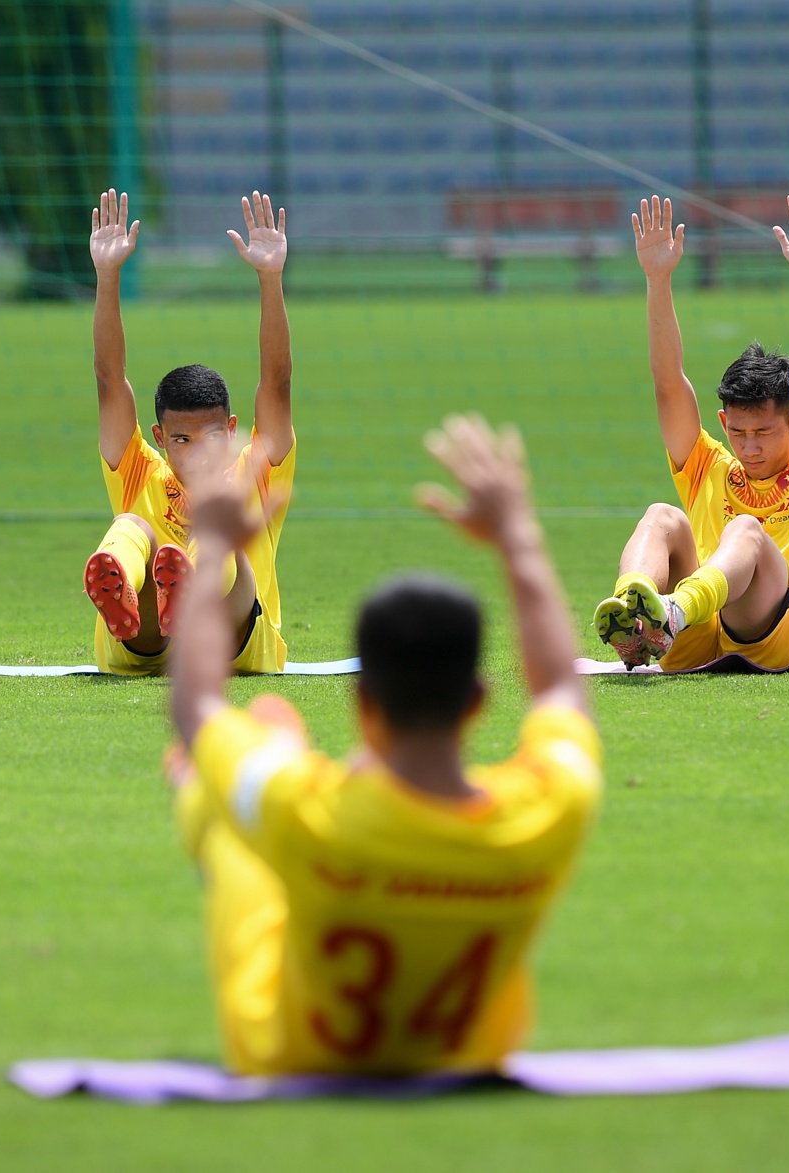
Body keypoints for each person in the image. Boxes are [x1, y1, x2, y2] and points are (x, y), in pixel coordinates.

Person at [165, 415, 600, 1076]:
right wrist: (517, 535)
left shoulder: (310, 812)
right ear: (479, 701)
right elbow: (561, 692)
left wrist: (213, 541)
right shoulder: (542, 815)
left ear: (363, 702)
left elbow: (196, 705)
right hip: (465, 1053)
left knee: (235, 781)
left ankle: (206, 794)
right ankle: (249, 760)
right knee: (260, 750)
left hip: (285, 1056)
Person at [593, 192, 789, 670]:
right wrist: (658, 279)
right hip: (697, 634)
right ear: (723, 423)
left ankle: (672, 611)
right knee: (662, 516)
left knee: (746, 531)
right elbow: (669, 384)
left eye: (763, 432)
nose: (749, 446)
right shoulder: (710, 467)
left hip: (782, 635)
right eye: (738, 432)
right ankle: (636, 619)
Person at [82, 190, 295, 677]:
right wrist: (107, 276)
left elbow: (277, 383)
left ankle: (189, 580)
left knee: (221, 535)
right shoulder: (138, 471)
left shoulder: (256, 471)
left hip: (234, 639)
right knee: (130, 528)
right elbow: (109, 380)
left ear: (234, 429)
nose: (198, 452)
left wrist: (271, 279)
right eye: (182, 440)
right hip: (146, 640)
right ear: (158, 436)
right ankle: (127, 589)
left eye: (212, 437)